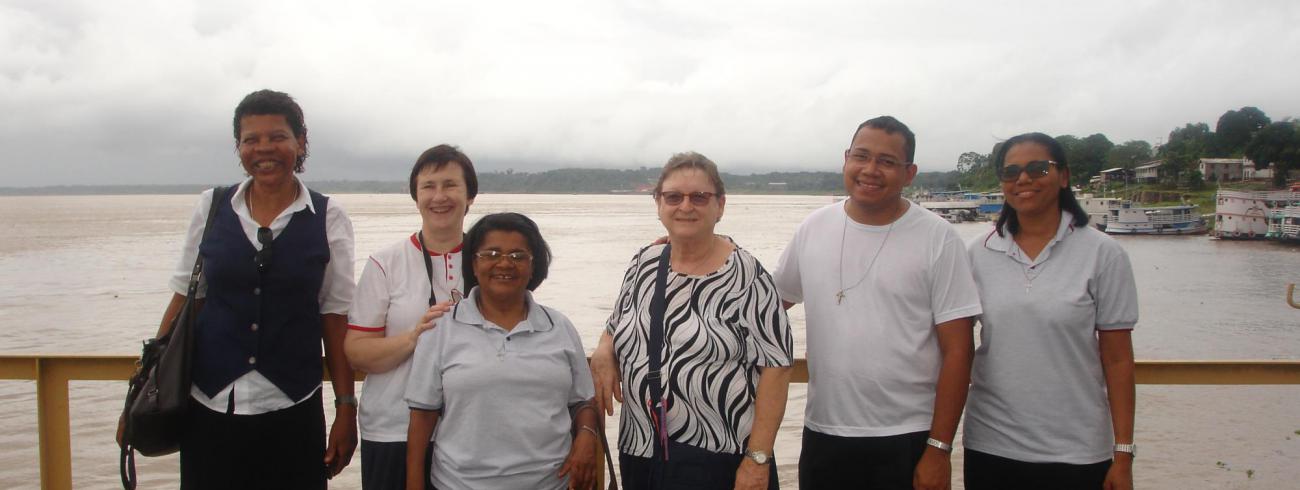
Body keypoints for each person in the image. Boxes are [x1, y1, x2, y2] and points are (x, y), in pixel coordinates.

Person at [129, 89, 357, 488]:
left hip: (293, 407)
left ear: (301, 142)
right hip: (209, 406)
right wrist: (144, 389)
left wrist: (345, 408)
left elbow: (334, 318)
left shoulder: (328, 216)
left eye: (278, 137)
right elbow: (186, 298)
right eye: (251, 139)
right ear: (239, 147)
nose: (264, 148)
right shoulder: (212, 207)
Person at [771, 116, 981, 490]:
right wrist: (693, 249)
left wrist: (939, 449)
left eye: (886, 161)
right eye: (861, 156)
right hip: (824, 431)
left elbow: (959, 351)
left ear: (909, 173)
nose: (870, 170)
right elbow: (764, 305)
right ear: (846, 159)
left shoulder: (939, 239)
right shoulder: (813, 228)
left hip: (908, 435)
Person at [591, 152, 794, 490]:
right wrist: (603, 348)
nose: (686, 206)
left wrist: (758, 459)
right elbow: (619, 321)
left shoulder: (747, 275)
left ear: (720, 205)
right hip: (642, 449)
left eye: (699, 197)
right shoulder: (644, 262)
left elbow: (777, 366)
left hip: (720, 455)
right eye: (674, 197)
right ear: (659, 204)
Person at [963, 132, 1137, 490]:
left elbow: (1118, 360)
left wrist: (1123, 454)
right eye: (1011, 172)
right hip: (991, 446)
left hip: (1078, 450)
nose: (1023, 179)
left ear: (1064, 176)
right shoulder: (977, 255)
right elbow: (955, 348)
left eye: (1038, 168)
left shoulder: (1103, 254)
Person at [404, 212, 599, 490]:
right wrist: (413, 483)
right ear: (473, 262)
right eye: (491, 253)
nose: (505, 263)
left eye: (519, 256)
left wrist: (586, 436)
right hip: (460, 484)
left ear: (534, 267)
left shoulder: (559, 326)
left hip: (551, 483)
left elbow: (583, 401)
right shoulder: (442, 328)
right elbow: (422, 414)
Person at [345, 145, 477, 489]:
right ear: (415, 196)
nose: (439, 197)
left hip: (473, 432)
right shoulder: (385, 263)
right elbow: (357, 351)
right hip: (393, 428)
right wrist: (414, 337)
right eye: (428, 187)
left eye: (450, 185)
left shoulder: (491, 263)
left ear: (470, 196)